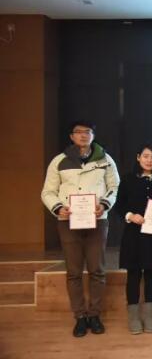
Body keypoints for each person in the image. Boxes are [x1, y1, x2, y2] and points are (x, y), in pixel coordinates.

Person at [41, 120, 120, 337]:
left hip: (97, 221)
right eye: (79, 132)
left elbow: (114, 186)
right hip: (68, 222)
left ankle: (94, 315)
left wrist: (104, 204)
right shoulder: (59, 160)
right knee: (74, 272)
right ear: (71, 136)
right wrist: (59, 208)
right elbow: (48, 192)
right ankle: (80, 317)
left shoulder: (105, 159)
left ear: (93, 135)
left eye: (88, 132)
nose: (83, 135)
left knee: (97, 270)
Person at [114, 143, 152, 334]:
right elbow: (119, 206)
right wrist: (130, 216)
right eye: (146, 156)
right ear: (138, 157)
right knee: (134, 275)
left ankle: (149, 316)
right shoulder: (128, 179)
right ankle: (133, 317)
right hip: (133, 235)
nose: (149, 160)